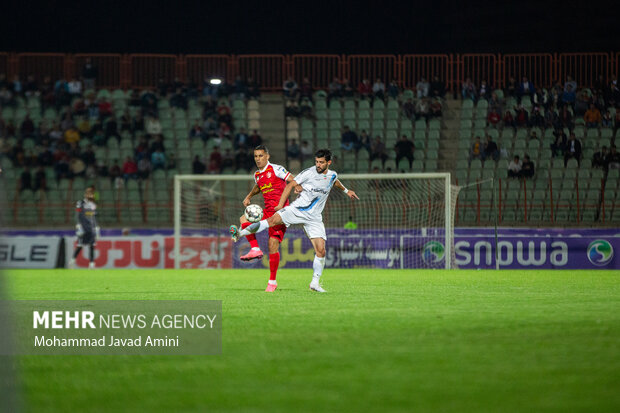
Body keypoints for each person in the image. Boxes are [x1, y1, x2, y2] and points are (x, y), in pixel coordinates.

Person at [230, 149, 359, 293]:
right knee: (271, 221)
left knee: (321, 251)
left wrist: (346, 191)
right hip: (297, 209)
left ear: (329, 162)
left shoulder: (332, 174)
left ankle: (315, 283)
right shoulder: (309, 172)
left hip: (315, 217)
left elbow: (334, 180)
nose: (318, 165)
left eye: (321, 162)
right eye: (316, 161)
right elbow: (291, 184)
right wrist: (281, 204)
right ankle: (240, 234)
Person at [236, 145, 298, 292]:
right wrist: (249, 196)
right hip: (267, 212)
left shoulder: (276, 169)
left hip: (280, 213)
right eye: (256, 156)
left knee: (272, 245)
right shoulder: (257, 174)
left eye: (261, 156)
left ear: (267, 156)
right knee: (243, 219)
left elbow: (291, 179)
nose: (258, 159)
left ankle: (272, 282)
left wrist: (296, 186)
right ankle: (255, 249)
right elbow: (259, 186)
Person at [68, 187, 99, 269]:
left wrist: (96, 228)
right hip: (83, 227)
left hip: (91, 228)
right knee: (80, 245)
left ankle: (91, 264)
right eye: (88, 193)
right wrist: (78, 225)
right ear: (85, 194)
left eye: (91, 193)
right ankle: (72, 261)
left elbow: (93, 217)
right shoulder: (80, 203)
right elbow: (77, 214)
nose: (90, 195)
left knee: (92, 245)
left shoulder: (93, 205)